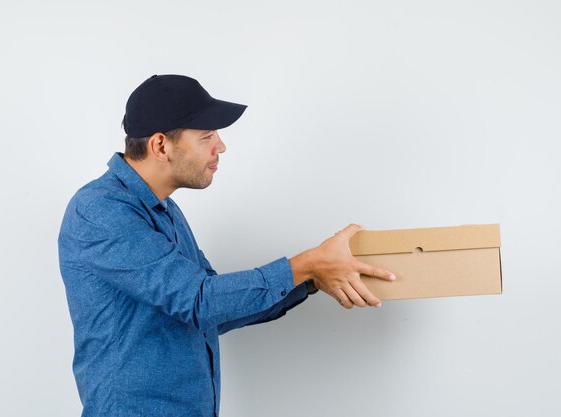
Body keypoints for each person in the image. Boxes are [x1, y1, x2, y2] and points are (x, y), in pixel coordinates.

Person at [58, 74, 396, 417]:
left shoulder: (167, 211)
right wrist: (304, 265)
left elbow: (211, 313)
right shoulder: (100, 210)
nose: (220, 146)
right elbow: (200, 300)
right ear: (160, 145)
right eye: (206, 136)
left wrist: (310, 279)